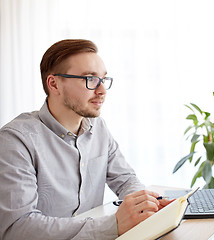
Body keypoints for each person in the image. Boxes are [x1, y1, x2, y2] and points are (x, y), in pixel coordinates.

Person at [0, 39, 172, 239]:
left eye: (103, 79)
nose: (102, 91)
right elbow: (18, 228)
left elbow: (125, 179)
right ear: (54, 84)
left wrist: (146, 204)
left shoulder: (98, 127)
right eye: (90, 79)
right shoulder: (15, 141)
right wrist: (114, 225)